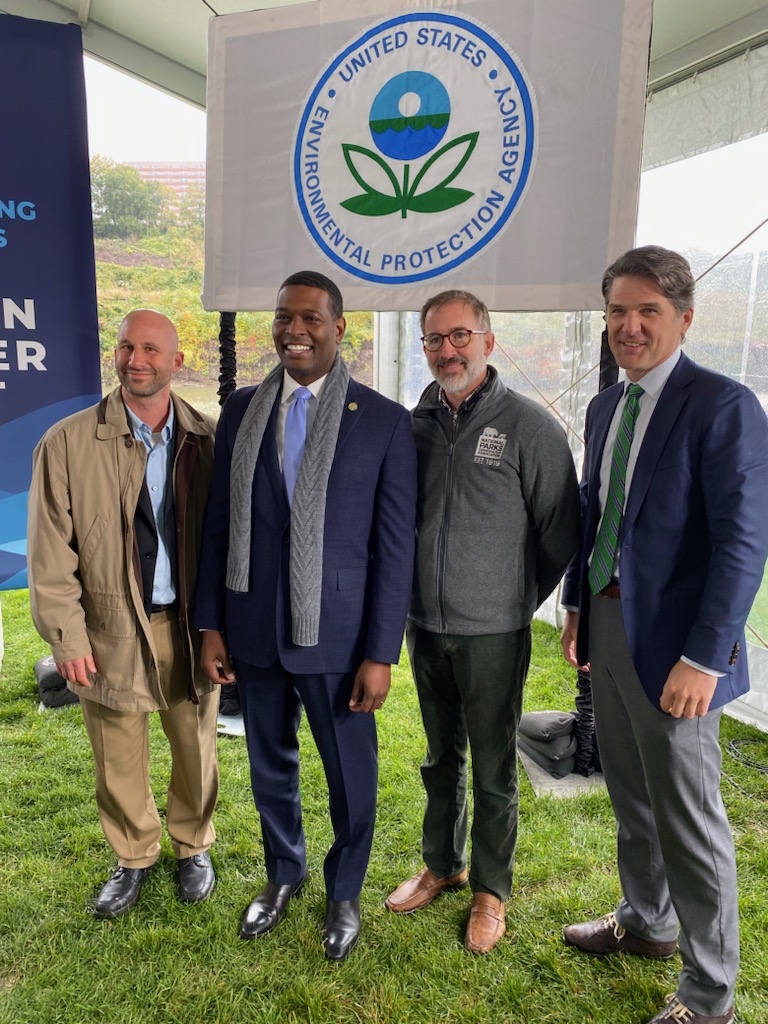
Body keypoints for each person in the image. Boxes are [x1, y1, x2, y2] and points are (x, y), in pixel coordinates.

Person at [560, 246, 768, 1024]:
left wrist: (705, 657)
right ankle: (648, 924)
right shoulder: (607, 407)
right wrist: (578, 606)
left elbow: (744, 544)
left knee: (688, 815)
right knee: (632, 792)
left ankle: (710, 996)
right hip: (609, 623)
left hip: (683, 650)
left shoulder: (724, 406)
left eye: (648, 311)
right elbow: (595, 509)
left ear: (684, 317)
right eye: (617, 311)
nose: (629, 326)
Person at [194, 270, 417, 961]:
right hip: (254, 628)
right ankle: (282, 873)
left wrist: (382, 651)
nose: (295, 330)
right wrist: (210, 622)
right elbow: (218, 528)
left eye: (312, 318)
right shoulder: (240, 410)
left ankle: (343, 890)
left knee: (351, 776)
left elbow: (394, 545)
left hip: (342, 641)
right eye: (285, 316)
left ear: (339, 327)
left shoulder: (382, 420)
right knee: (270, 766)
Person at [385, 289, 580, 953]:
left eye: (460, 335)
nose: (448, 349)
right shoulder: (412, 426)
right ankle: (442, 865)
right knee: (442, 757)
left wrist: (512, 598)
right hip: (424, 625)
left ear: (488, 342)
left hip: (494, 631)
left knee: (494, 764)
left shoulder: (530, 427)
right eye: (435, 339)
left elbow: (560, 533)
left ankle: (491, 891)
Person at [28, 309, 219, 918]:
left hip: (189, 628)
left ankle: (193, 845)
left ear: (177, 361)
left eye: (151, 349)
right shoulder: (65, 443)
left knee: (195, 746)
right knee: (117, 752)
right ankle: (134, 855)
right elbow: (49, 554)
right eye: (126, 347)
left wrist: (224, 626)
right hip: (108, 628)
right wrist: (67, 638)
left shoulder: (209, 439)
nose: (136, 359)